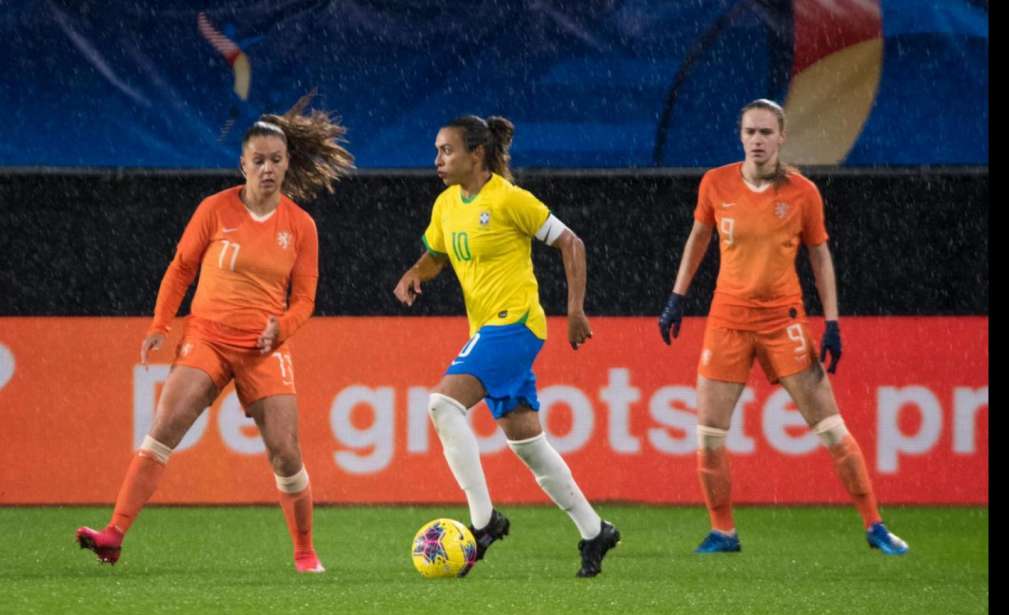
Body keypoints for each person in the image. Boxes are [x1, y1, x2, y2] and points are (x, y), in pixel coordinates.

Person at [76, 96, 354, 572]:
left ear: (288, 164)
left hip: (264, 348)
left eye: (276, 160)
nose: (267, 169)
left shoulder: (301, 226)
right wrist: (161, 325)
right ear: (242, 163)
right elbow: (181, 268)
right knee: (164, 429)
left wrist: (279, 328)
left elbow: (305, 301)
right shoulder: (215, 209)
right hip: (206, 336)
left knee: (286, 454)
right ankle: (114, 534)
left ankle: (305, 553)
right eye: (259, 160)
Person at [658, 99, 909, 556]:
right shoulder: (716, 183)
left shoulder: (802, 193)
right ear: (740, 136)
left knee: (831, 429)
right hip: (727, 321)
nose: (757, 140)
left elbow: (819, 255)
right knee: (708, 435)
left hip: (784, 323)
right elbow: (699, 238)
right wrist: (677, 297)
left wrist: (832, 322)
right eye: (750, 132)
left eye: (766, 133)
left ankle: (875, 526)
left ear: (781, 137)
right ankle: (723, 532)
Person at [393, 115, 620, 578]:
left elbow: (571, 243)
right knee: (529, 445)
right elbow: (437, 254)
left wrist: (575, 310)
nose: (437, 159)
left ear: (476, 154)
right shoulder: (445, 205)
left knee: (441, 405)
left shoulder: (509, 199)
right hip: (490, 329)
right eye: (437, 150)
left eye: (447, 150)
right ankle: (596, 531)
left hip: (514, 324)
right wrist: (416, 271)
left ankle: (484, 521)